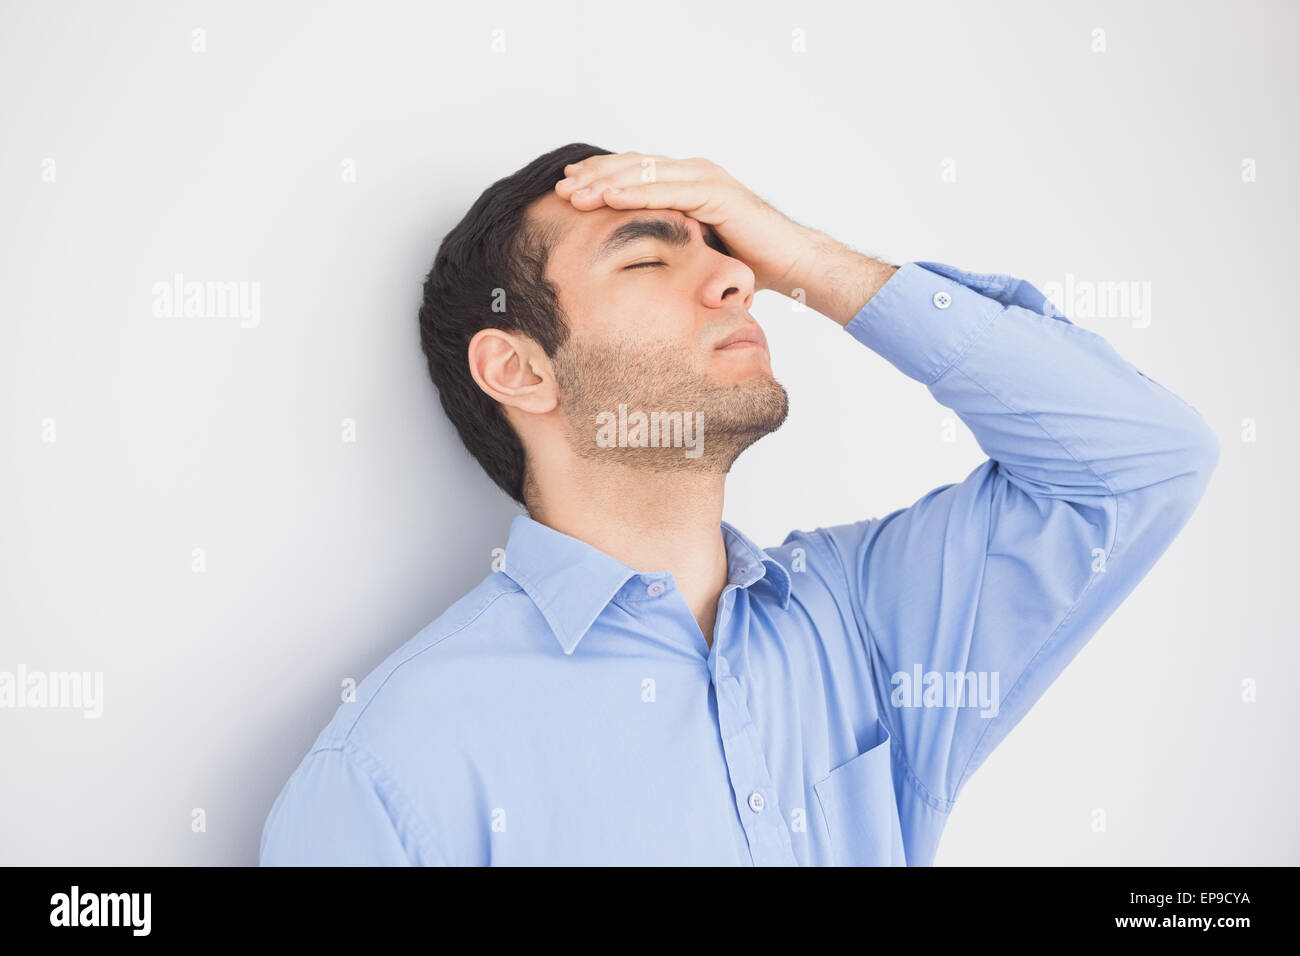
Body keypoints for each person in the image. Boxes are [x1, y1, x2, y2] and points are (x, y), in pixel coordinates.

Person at [260, 143, 1219, 865]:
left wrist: (810, 259)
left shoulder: (861, 618)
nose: (738, 276)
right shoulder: (392, 766)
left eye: (731, 251)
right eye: (645, 260)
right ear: (518, 366)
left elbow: (1142, 460)